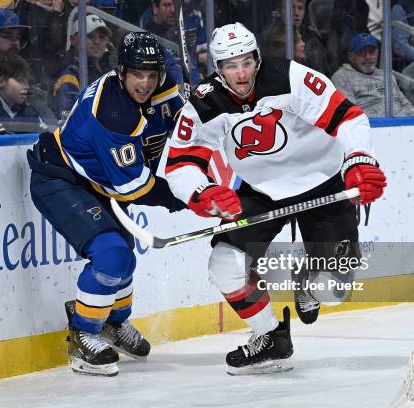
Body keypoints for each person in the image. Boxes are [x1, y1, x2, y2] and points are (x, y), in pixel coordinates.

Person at [163, 22, 386, 374]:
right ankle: (270, 337)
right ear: (218, 69)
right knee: (225, 264)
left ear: (257, 58)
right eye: (231, 65)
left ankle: (308, 287)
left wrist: (359, 159)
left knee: (332, 290)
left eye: (247, 62)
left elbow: (348, 117)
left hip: (324, 182)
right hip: (261, 191)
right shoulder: (205, 102)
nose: (241, 73)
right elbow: (180, 162)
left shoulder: (290, 77)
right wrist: (202, 191)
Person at [26, 32, 185, 376]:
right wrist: (184, 195)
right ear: (121, 72)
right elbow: (133, 186)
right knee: (112, 255)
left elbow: (183, 126)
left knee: (124, 255)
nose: (145, 83)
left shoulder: (160, 84)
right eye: (136, 75)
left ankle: (114, 324)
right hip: (60, 179)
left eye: (151, 75)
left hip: (99, 181)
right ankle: (83, 334)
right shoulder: (113, 112)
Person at [331, 33, 414, 117]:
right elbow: (351, 115)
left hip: (404, 125)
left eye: (371, 52)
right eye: (362, 53)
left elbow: (407, 106)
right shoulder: (342, 77)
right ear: (351, 57)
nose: (368, 57)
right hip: (375, 128)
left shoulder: (386, 75)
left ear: (377, 53)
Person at [52, 13, 114, 120]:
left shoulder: (109, 71)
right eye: (89, 36)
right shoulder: (69, 74)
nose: (97, 42)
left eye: (102, 37)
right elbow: (66, 121)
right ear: (72, 39)